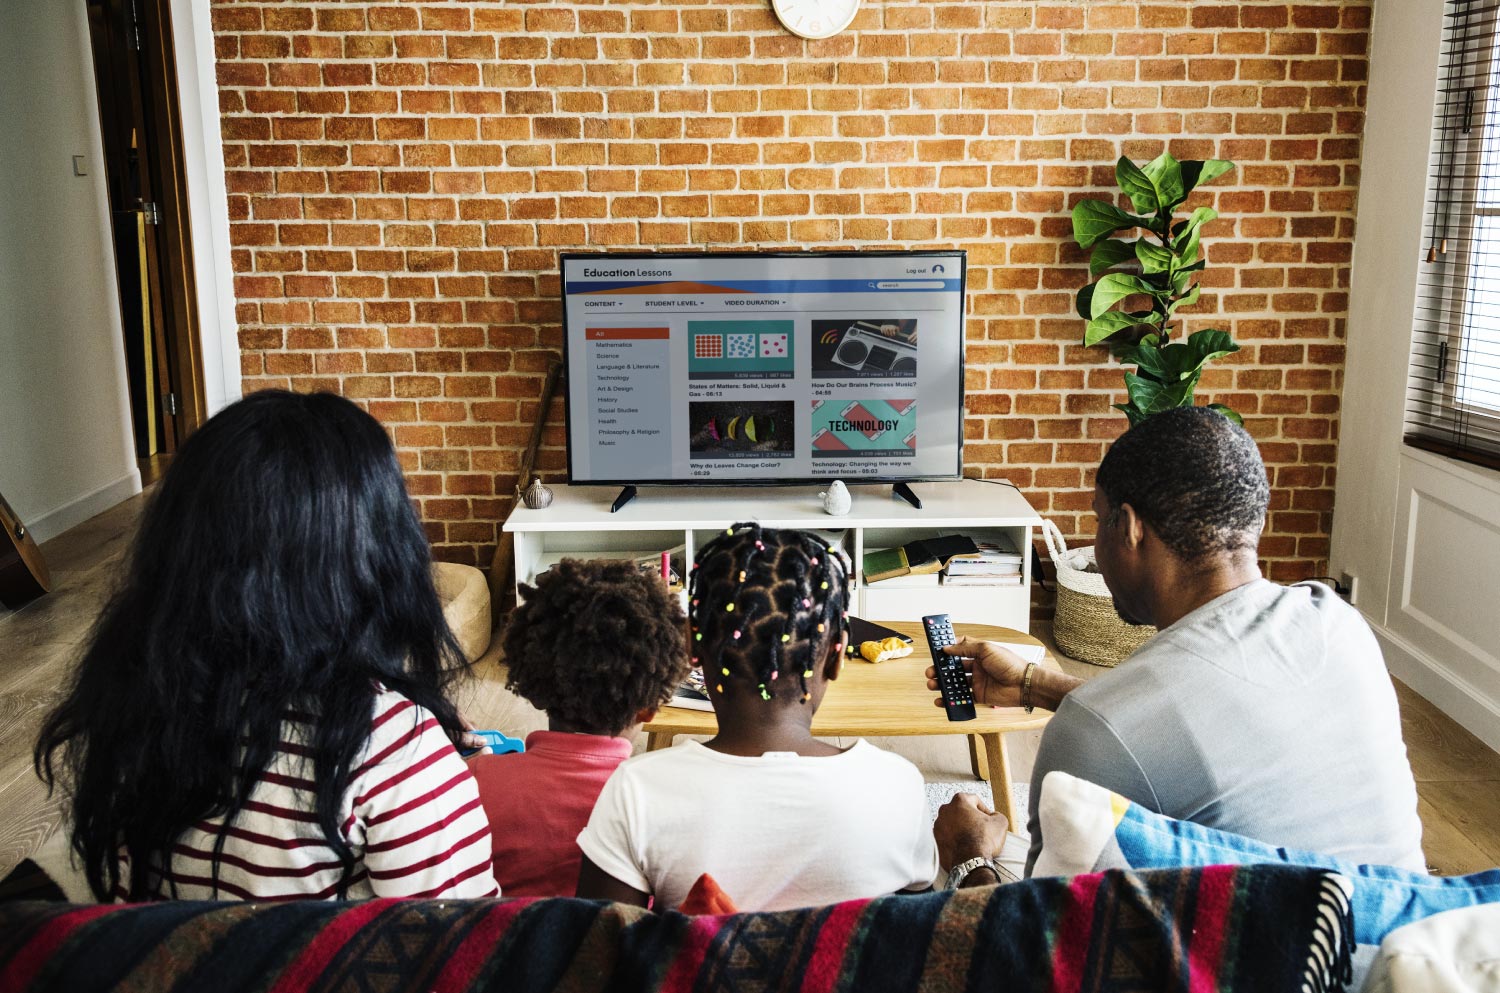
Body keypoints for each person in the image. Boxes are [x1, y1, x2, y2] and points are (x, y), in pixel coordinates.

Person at [35, 391, 499, 901]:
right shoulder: (396, 751)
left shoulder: (137, 708)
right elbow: (462, 953)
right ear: (380, 555)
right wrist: (428, 773)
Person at [930, 406, 1425, 883]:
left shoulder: (1090, 738)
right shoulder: (1336, 620)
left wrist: (968, 857)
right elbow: (1214, 721)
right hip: (1411, 937)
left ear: (1129, 527)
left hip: (1275, 967)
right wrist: (1033, 684)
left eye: (1100, 520)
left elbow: (1043, 950)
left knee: (957, 857)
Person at [575, 524, 940, 911]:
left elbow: (599, 951)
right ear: (837, 655)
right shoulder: (896, 785)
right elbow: (921, 933)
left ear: (691, 644)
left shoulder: (637, 791)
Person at [467, 558, 690, 897]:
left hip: (503, 942)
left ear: (535, 691)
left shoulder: (475, 780)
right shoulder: (663, 801)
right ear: (649, 709)